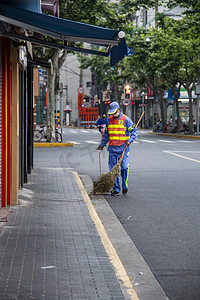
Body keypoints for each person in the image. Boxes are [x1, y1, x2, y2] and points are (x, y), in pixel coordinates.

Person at [97, 101, 138, 196]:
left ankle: (124, 185)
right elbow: (106, 135)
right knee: (113, 170)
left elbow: (135, 131)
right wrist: (102, 144)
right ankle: (116, 188)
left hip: (123, 149)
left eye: (114, 112)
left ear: (118, 110)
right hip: (112, 149)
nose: (113, 115)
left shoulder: (126, 120)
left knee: (124, 167)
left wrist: (130, 140)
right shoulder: (109, 120)